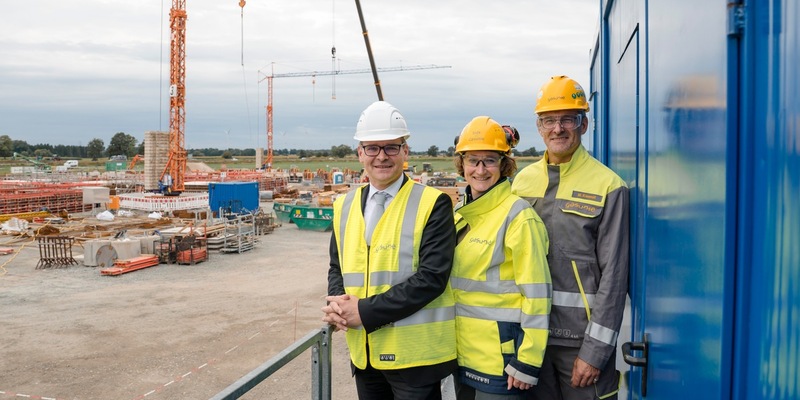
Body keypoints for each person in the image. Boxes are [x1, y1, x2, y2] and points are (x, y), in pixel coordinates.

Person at [322, 100, 458, 400]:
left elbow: (432, 278)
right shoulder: (344, 205)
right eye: (372, 148)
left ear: (405, 152)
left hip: (416, 359)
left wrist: (363, 311)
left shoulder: (433, 203)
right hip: (366, 355)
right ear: (360, 153)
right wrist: (338, 304)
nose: (381, 156)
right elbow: (337, 266)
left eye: (391, 147)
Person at [511, 76, 629, 400]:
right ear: (539, 127)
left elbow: (615, 276)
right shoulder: (521, 182)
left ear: (583, 124)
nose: (558, 129)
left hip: (580, 343)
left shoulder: (609, 186)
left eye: (568, 119)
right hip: (530, 336)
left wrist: (595, 351)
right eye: (549, 120)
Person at [450, 116, 552, 400]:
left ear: (504, 164)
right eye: (473, 160)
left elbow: (537, 295)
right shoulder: (459, 214)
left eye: (490, 161)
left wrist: (528, 360)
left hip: (502, 363)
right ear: (462, 164)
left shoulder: (518, 217)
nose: (480, 170)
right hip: (461, 354)